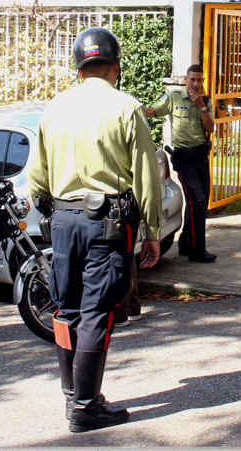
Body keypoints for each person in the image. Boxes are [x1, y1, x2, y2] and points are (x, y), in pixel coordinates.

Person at [27, 27, 162, 434]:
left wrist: (54, 210)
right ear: (115, 69)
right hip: (107, 222)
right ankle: (86, 408)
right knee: (96, 314)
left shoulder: (55, 107)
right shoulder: (126, 107)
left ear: (79, 69)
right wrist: (152, 230)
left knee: (65, 310)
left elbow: (37, 177)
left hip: (64, 221)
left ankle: (74, 397)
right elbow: (145, 177)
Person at [144, 64, 216, 263]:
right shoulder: (174, 97)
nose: (195, 84)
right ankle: (196, 250)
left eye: (199, 80)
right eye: (192, 79)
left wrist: (201, 105)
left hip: (201, 157)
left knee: (199, 203)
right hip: (184, 159)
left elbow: (210, 128)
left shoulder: (206, 100)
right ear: (185, 79)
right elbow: (151, 111)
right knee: (197, 200)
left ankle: (185, 243)